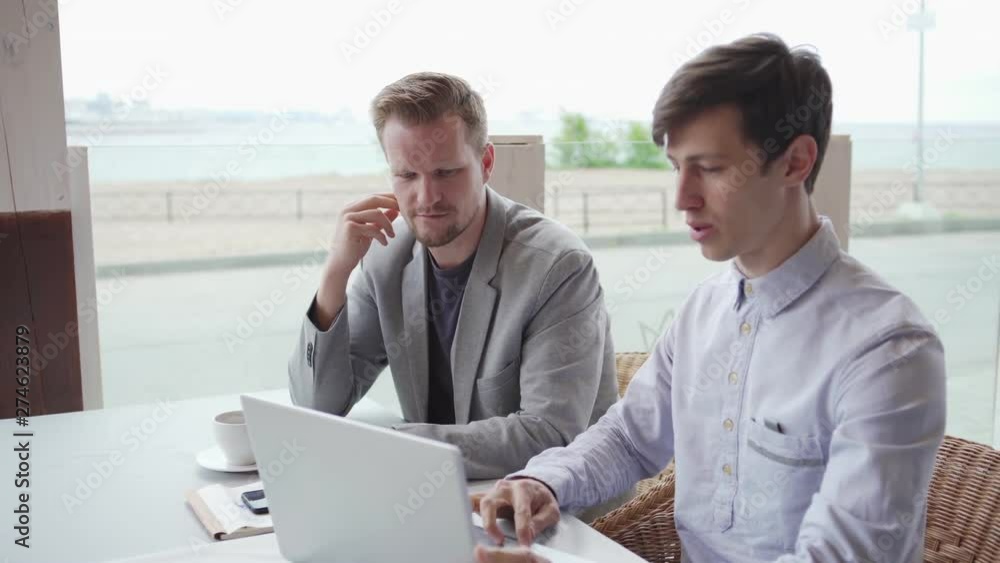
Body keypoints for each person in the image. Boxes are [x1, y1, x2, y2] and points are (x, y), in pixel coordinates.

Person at [475, 34, 946, 562]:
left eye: (712, 168)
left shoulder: (887, 348)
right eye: (677, 166)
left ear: (795, 162)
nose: (682, 198)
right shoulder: (705, 308)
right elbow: (630, 438)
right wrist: (544, 482)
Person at [288, 72, 618, 479]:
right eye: (407, 175)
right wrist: (335, 274)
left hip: (555, 501)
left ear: (486, 163)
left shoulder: (558, 266)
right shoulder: (386, 255)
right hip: (438, 489)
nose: (426, 197)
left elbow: (548, 434)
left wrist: (396, 445)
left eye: (446, 172)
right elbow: (316, 406)